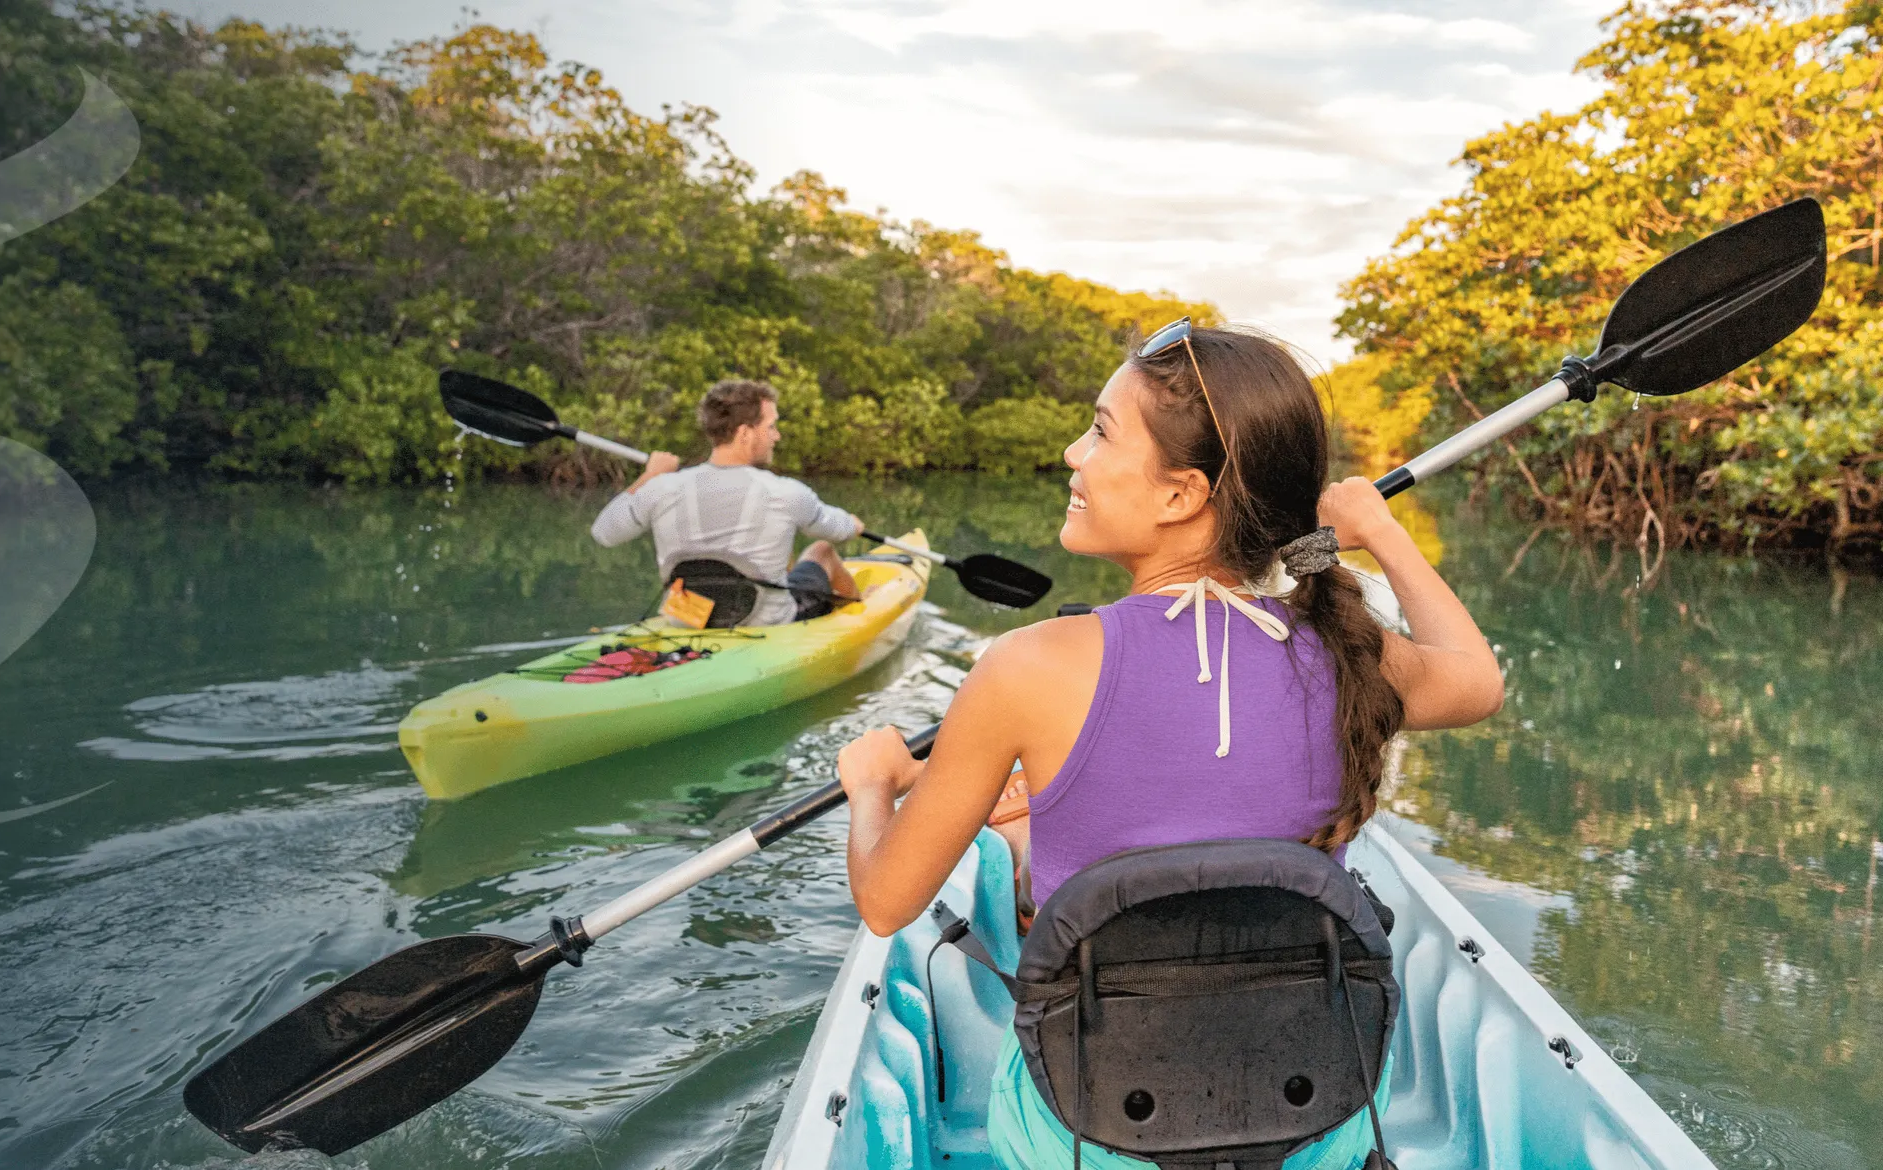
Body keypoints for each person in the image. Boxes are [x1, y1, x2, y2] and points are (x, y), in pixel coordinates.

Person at [832, 321, 1506, 1169]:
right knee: (1032, 826)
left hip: (1089, 1138)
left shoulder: (1027, 666)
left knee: (1015, 844)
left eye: (1102, 431)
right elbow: (1477, 679)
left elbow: (888, 903)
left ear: (1182, 493)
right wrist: (1374, 530)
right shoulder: (1350, 652)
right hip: (1311, 1125)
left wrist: (871, 783)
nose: (1075, 454)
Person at [591, 379, 865, 626]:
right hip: (765, 623)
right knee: (821, 551)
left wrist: (649, 476)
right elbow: (838, 529)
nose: (776, 436)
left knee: (785, 556)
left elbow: (604, 532)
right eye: (771, 426)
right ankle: (863, 615)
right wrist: (853, 525)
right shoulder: (786, 492)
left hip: (686, 622)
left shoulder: (663, 487)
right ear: (745, 433)